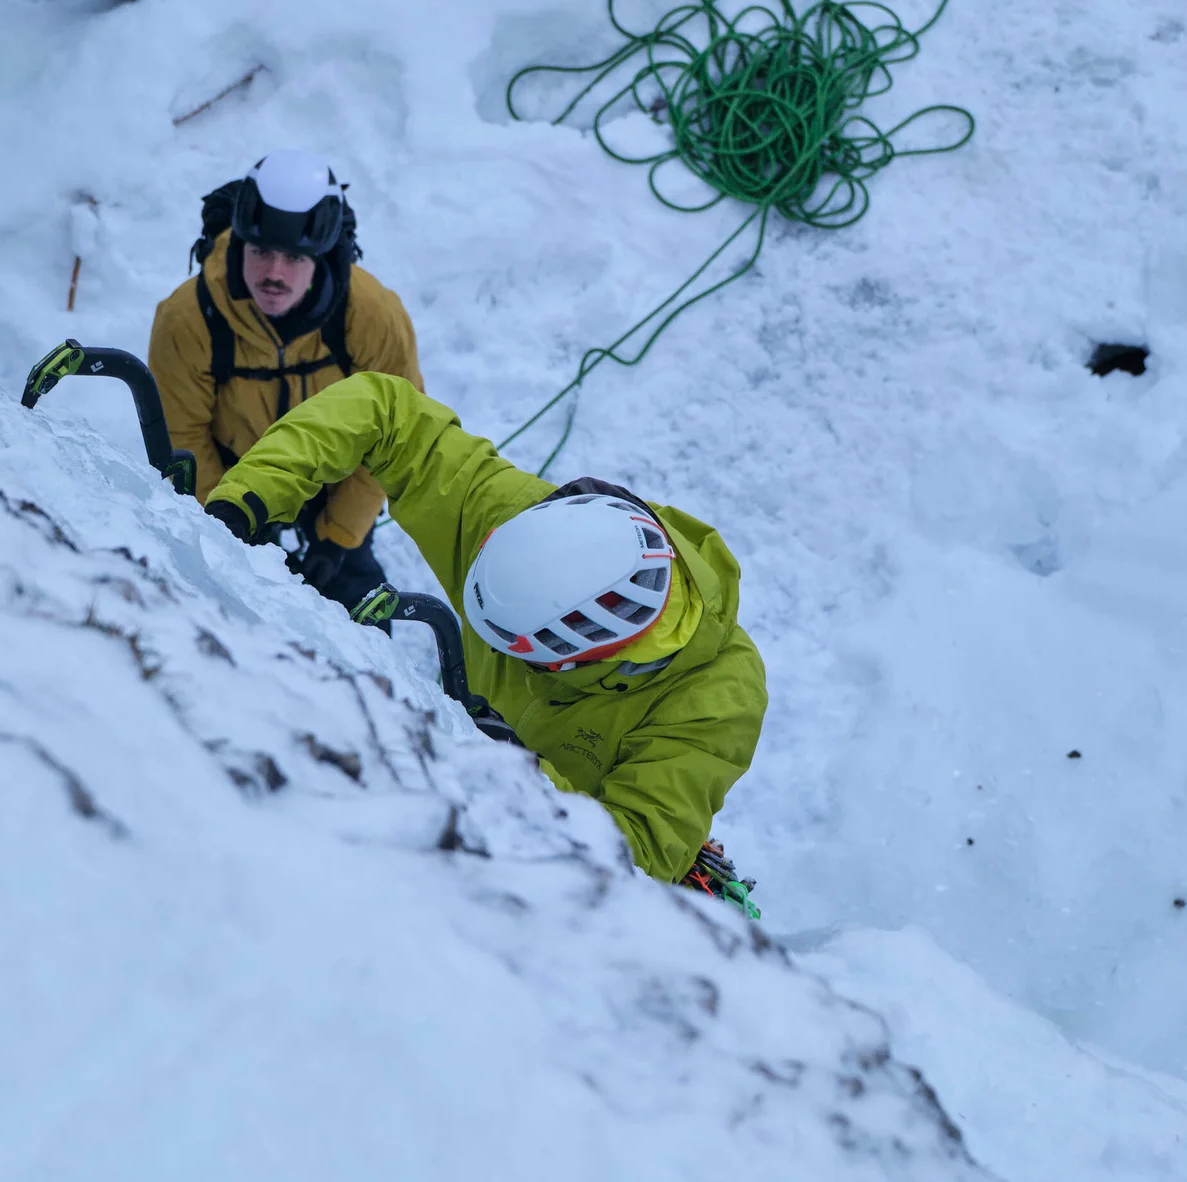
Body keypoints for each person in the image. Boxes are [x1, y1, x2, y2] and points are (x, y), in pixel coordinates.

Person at [200, 372, 768, 884]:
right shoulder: (520, 522)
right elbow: (385, 409)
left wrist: (521, 773)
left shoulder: (716, 695)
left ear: (573, 655)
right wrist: (248, 497)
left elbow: (641, 853)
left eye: (516, 651)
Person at [148, 149, 424, 610]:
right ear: (239, 243)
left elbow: (397, 433)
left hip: (335, 476)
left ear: (323, 255)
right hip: (233, 475)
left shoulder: (373, 315)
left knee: (357, 604)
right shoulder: (188, 318)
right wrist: (225, 525)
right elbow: (182, 436)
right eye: (261, 252)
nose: (274, 274)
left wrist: (339, 537)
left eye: (294, 257)